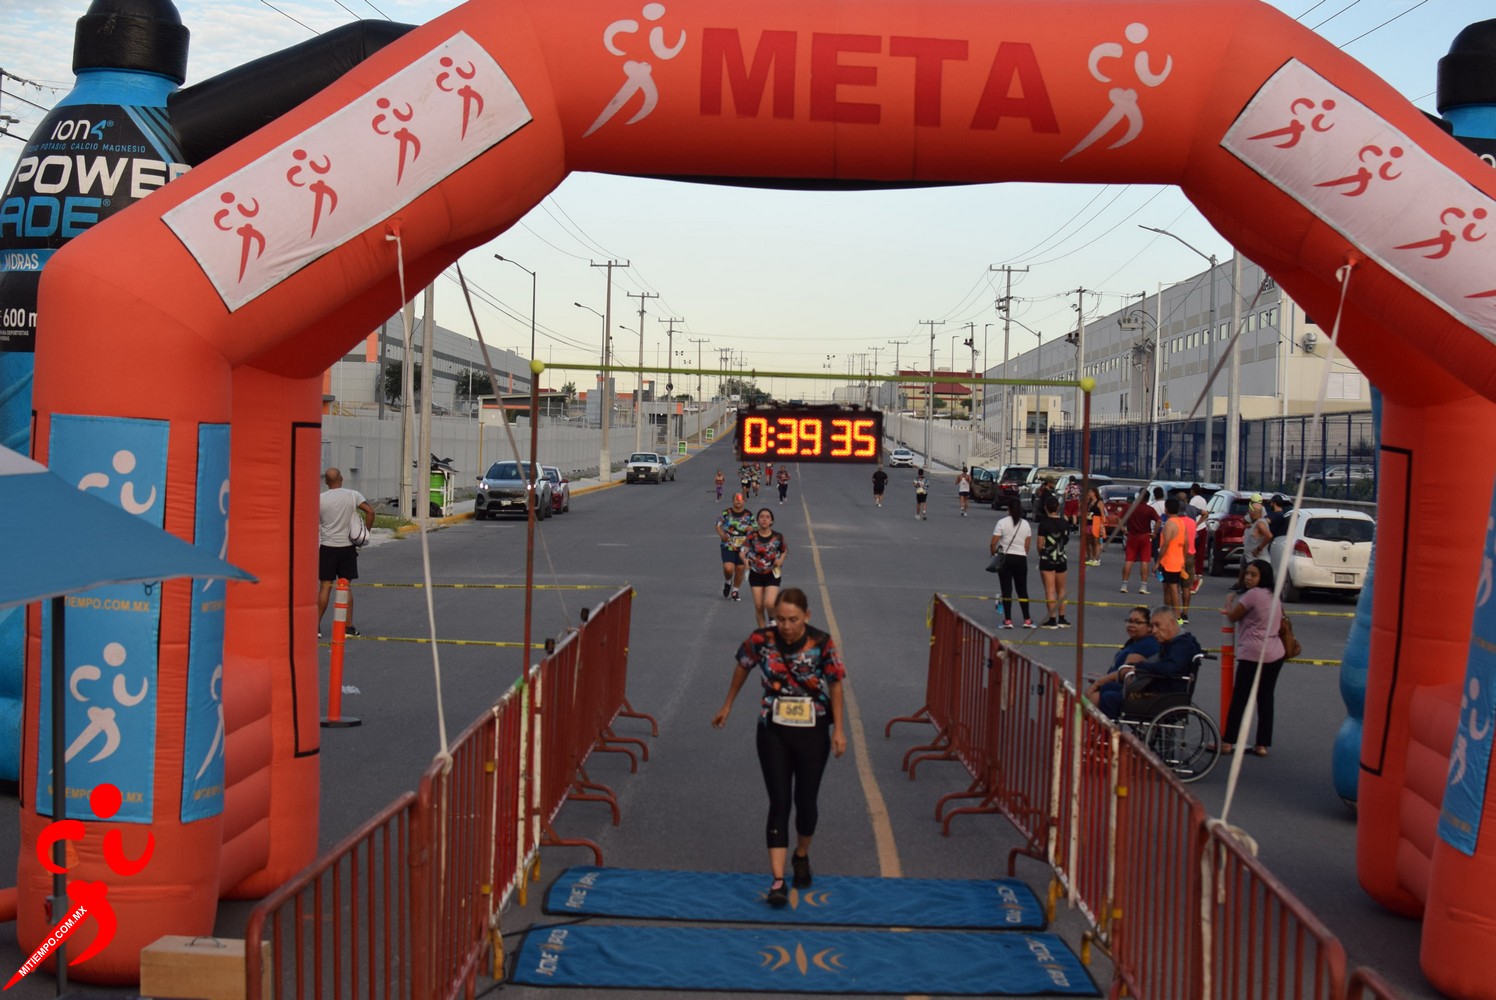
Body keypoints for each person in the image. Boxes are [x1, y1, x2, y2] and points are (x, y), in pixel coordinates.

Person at [712, 588, 846, 906]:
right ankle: (777, 880)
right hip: (773, 731)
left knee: (806, 802)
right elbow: (743, 666)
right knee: (780, 801)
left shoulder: (821, 642)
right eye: (780, 619)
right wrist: (728, 704)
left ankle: (801, 855)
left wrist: (839, 729)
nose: (786, 626)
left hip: (813, 731)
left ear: (806, 616)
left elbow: (835, 684)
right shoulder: (761, 640)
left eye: (793, 620)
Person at [1220, 559, 1286, 756]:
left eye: (1253, 575)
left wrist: (1229, 601)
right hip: (1275, 653)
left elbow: (1232, 616)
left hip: (1253, 653)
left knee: (1240, 698)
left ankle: (1228, 742)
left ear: (1262, 577)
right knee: (1265, 699)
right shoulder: (1274, 595)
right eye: (1247, 573)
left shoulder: (1253, 595)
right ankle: (1262, 745)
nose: (1248, 578)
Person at [318, 467, 375, 638]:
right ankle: (348, 627)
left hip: (327, 547)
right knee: (345, 587)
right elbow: (370, 511)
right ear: (341, 479)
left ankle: (315, 626)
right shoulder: (352, 495)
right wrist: (365, 533)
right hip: (347, 547)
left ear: (326, 482)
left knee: (325, 587)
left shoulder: (320, 499)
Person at [1086, 606, 1161, 719]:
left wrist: (1099, 682)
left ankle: (1103, 728)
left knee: (1093, 698)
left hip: (1133, 690)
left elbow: (1125, 671)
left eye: (1137, 622)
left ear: (1149, 627)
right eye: (1129, 621)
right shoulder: (1135, 641)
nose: (1131, 625)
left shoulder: (1146, 644)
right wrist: (1104, 677)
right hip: (1123, 684)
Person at [990, 495, 1034, 629]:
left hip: (1005, 558)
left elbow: (993, 543)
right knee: (1022, 590)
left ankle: (1008, 620)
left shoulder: (1002, 523)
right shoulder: (1025, 524)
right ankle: (1027, 619)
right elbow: (1027, 545)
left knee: (1006, 589)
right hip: (1021, 558)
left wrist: (994, 555)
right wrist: (1023, 554)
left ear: (1008, 508)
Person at [742, 507, 788, 628]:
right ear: (757, 520)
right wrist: (745, 560)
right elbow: (743, 551)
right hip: (755, 573)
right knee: (759, 606)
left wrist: (780, 560)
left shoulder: (778, 537)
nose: (764, 519)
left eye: (767, 517)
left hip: (772, 572)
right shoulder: (751, 537)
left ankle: (772, 618)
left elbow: (784, 550)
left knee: (770, 602)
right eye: (762, 517)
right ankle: (763, 633)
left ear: (771, 521)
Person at [1036, 494, 1070, 628]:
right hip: (1061, 558)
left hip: (1047, 558)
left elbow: (1040, 544)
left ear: (1046, 508)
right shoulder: (1064, 523)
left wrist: (1042, 553)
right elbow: (1065, 540)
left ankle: (1052, 619)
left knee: (1050, 590)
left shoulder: (1044, 524)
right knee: (1061, 589)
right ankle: (1062, 618)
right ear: (1058, 508)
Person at [716, 492, 756, 601]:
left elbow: (755, 527)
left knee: (739, 569)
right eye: (736, 499)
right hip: (728, 545)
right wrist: (721, 535)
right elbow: (718, 524)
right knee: (728, 568)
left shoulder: (749, 515)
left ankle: (735, 591)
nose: (738, 501)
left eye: (740, 499)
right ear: (733, 501)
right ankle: (728, 582)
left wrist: (750, 529)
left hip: (743, 548)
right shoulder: (726, 513)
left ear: (744, 501)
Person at [1120, 487, 1159, 594]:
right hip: (1145, 536)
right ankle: (1143, 586)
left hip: (1132, 536)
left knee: (1129, 560)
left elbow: (1119, 518)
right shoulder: (1149, 509)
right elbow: (1159, 521)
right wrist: (1154, 533)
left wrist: (1123, 529)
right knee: (1145, 561)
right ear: (1148, 498)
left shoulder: (1130, 507)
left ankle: (1124, 584)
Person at [1157, 496, 1189, 622]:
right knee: (1167, 587)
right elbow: (1186, 543)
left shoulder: (1169, 524)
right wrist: (1183, 559)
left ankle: (1177, 615)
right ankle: (1167, 613)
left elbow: (1165, 544)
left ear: (1166, 509)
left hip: (1169, 561)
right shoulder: (1181, 523)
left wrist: (1158, 561)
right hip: (1178, 559)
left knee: (1173, 588)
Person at [1084, 486, 1105, 566]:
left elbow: (1102, 514)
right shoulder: (1089, 502)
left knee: (1096, 542)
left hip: (1096, 523)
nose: (1089, 494)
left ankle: (1096, 558)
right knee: (1088, 541)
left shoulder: (1099, 502)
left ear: (1094, 493)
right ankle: (1090, 557)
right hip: (1088, 523)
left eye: (1090, 492)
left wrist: (1102, 526)